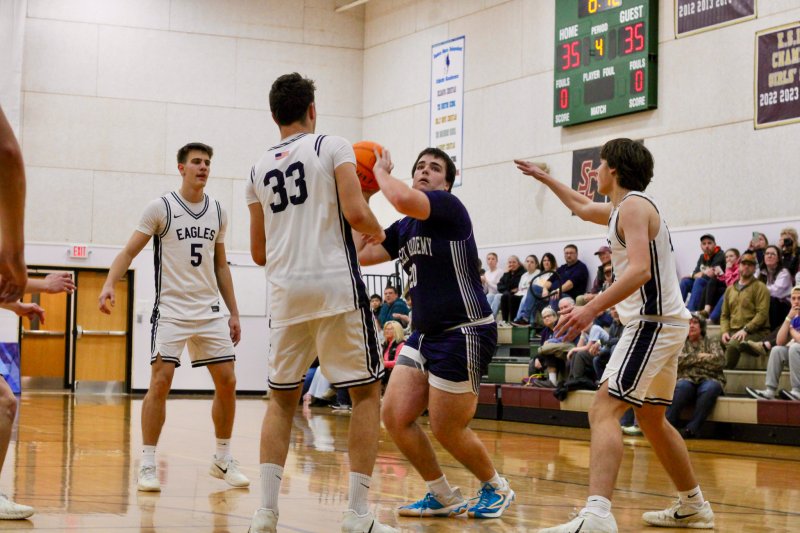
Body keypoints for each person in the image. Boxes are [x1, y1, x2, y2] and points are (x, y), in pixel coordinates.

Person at [518, 138, 714, 532]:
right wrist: (546, 178)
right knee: (653, 420)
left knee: (603, 409)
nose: (596, 172)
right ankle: (694, 506)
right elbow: (581, 206)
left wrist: (591, 307)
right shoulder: (622, 209)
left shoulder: (636, 205)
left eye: (601, 164)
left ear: (615, 170)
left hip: (652, 323)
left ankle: (597, 515)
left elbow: (640, 270)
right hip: (663, 323)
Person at [245, 73, 395, 533]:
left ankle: (266, 514)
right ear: (313, 108)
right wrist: (377, 225)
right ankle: (356, 514)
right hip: (335, 288)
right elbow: (354, 212)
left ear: (274, 116)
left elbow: (258, 253)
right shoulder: (334, 145)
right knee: (367, 394)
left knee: (280, 401)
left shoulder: (256, 170)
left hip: (286, 293)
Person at [357, 146, 515, 520]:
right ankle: (441, 493)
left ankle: (497, 487)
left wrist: (378, 171)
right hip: (425, 334)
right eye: (420, 167)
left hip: (465, 331)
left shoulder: (449, 209)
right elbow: (361, 250)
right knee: (394, 416)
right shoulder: (406, 227)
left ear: (447, 182)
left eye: (435, 168)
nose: (425, 171)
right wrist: (362, 194)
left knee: (447, 427)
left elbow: (398, 197)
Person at [98, 142, 247, 493]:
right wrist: (109, 284)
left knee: (227, 380)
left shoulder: (218, 211)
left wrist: (234, 312)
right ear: (181, 168)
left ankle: (222, 458)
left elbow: (220, 265)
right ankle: (148, 463)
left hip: (209, 309)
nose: (203, 167)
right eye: (196, 162)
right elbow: (128, 251)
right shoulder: (161, 207)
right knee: (160, 382)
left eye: (208, 162)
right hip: (172, 310)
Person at [666, 314, 726, 438]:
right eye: (689, 323)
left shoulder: (712, 341)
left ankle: (692, 429)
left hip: (710, 378)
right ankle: (667, 426)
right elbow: (676, 361)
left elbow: (719, 361)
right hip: (686, 378)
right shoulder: (680, 343)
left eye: (695, 323)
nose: (691, 326)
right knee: (682, 387)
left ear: (702, 326)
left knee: (710, 388)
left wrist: (689, 361)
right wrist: (701, 356)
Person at [746, 285, 800, 401]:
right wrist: (787, 319)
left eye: (799, 298)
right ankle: (770, 390)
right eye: (793, 298)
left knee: (795, 347)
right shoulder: (794, 318)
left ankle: (797, 391)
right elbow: (780, 342)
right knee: (777, 350)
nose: (796, 302)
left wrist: (791, 329)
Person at [720, 251, 770, 369]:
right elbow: (724, 315)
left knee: (732, 345)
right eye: (744, 264)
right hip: (733, 330)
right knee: (717, 342)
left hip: (756, 332)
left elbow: (762, 314)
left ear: (754, 268)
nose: (746, 266)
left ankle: (722, 375)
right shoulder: (730, 289)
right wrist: (724, 332)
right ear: (738, 266)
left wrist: (746, 330)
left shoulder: (761, 287)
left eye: (750, 264)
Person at [680, 234, 726, 312]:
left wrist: (692, 275)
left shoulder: (720, 254)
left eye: (709, 243)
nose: (706, 246)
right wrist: (696, 275)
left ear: (714, 244)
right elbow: (696, 272)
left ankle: (691, 311)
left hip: (715, 283)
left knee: (699, 280)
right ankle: (678, 309)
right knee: (685, 282)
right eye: (704, 244)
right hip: (703, 281)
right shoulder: (702, 257)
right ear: (701, 246)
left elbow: (710, 273)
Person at [483, 252, 503, 317]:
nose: (490, 261)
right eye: (488, 259)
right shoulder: (486, 273)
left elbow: (498, 288)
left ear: (496, 261)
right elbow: (485, 290)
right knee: (489, 295)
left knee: (496, 296)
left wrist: (487, 281)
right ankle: (487, 316)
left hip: (499, 293)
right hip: (490, 294)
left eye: (493, 259)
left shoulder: (500, 272)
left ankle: (492, 317)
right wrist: (483, 283)